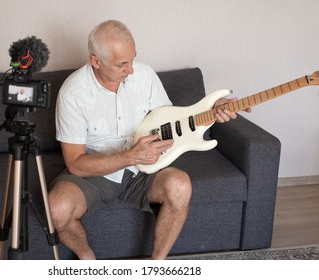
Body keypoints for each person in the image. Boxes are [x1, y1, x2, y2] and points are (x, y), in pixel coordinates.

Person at [49, 20, 247, 260]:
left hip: (145, 171)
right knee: (56, 209)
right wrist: (128, 156)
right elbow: (76, 164)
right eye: (122, 64)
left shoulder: (144, 75)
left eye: (132, 59)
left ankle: (156, 265)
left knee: (180, 185)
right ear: (95, 61)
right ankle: (87, 259)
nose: (131, 70)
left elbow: (174, 122)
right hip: (96, 173)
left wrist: (211, 111)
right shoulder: (73, 93)